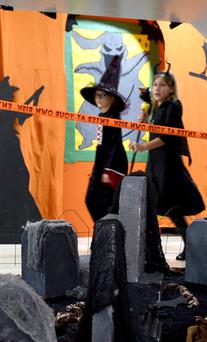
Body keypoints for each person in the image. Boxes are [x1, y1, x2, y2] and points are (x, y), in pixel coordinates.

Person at [132, 70, 204, 260]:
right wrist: (145, 118)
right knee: (160, 206)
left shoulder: (173, 106)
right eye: (155, 84)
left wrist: (143, 146)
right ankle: (156, 248)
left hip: (167, 165)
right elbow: (155, 128)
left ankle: (191, 247)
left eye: (162, 85)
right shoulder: (159, 107)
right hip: (156, 162)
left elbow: (166, 137)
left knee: (173, 208)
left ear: (171, 89)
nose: (157, 88)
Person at [80, 55, 128, 224]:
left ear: (112, 98)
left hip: (112, 163)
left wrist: (108, 170)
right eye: (96, 96)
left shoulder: (113, 117)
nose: (98, 99)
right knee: (92, 200)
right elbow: (102, 144)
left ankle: (109, 235)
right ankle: (104, 233)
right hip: (101, 162)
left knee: (102, 202)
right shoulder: (102, 115)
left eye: (102, 95)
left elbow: (114, 144)